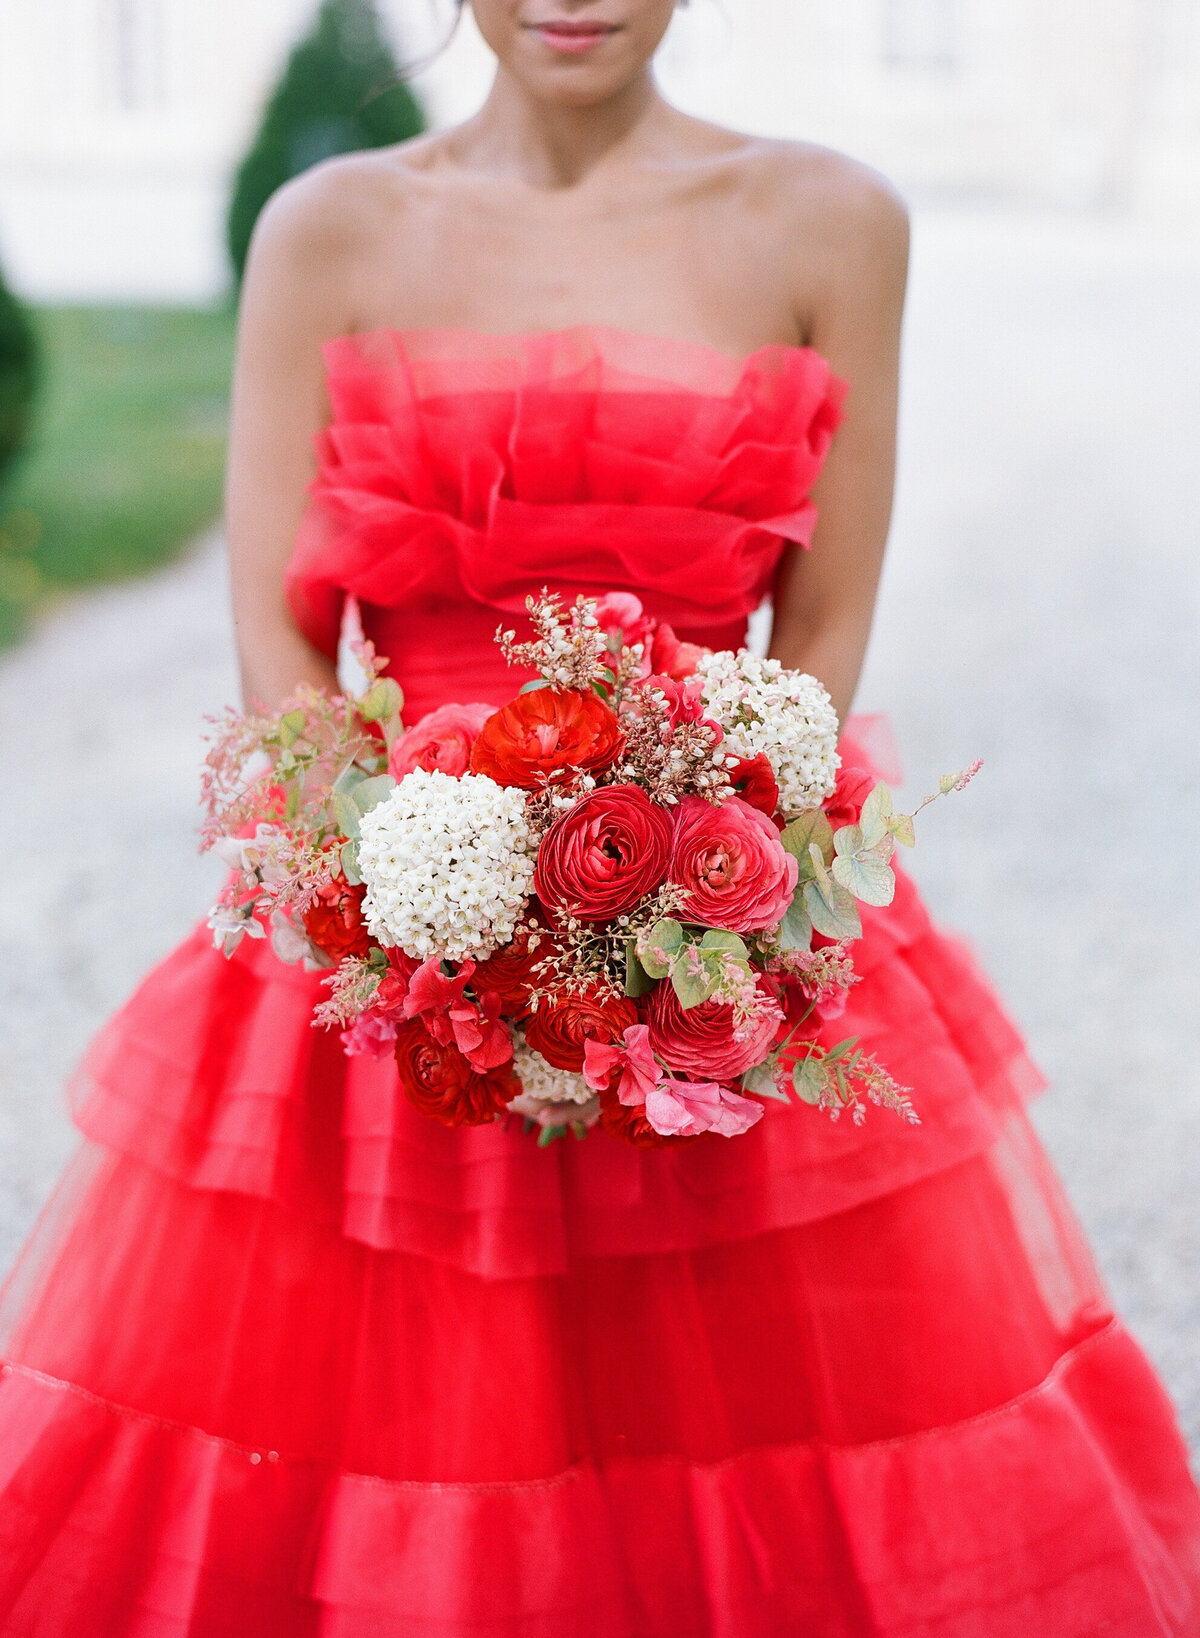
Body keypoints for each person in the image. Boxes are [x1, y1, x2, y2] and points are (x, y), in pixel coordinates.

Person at [1, 2, 1198, 1632]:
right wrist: (402, 887)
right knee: (391, 1431)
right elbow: (280, 635)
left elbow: (823, 633)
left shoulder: (831, 224)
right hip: (391, 941)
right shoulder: (329, 230)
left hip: (708, 929)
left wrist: (690, 908)